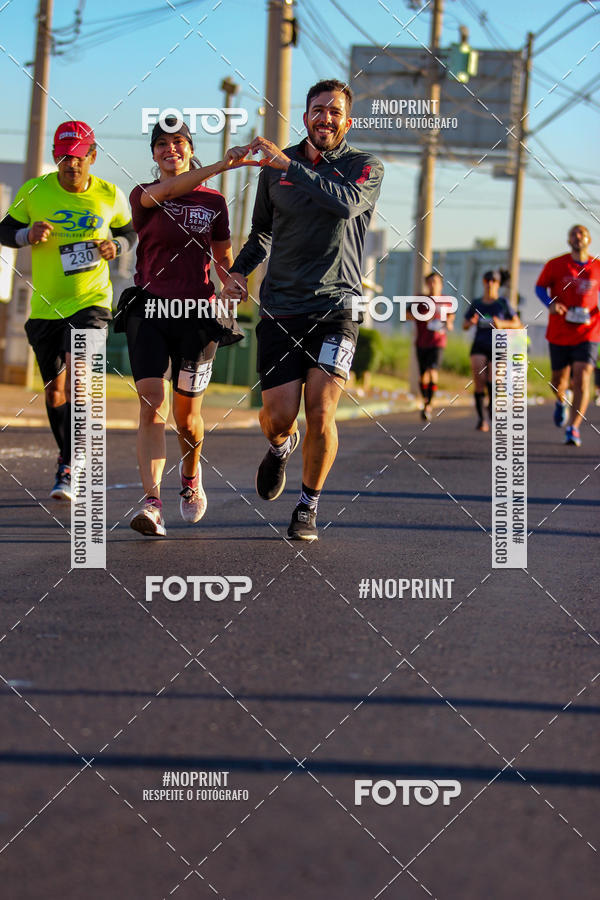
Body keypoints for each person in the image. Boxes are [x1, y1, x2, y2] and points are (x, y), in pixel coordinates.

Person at [222, 79, 384, 542]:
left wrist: (289, 164)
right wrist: (238, 272)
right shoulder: (276, 170)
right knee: (278, 416)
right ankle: (280, 447)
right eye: (318, 110)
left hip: (337, 308)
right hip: (281, 307)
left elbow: (346, 204)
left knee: (321, 409)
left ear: (347, 121)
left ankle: (308, 505)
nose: (325, 118)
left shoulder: (364, 167)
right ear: (306, 116)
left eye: (335, 111)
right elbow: (262, 233)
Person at [125, 118, 255, 537]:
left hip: (197, 315)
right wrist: (222, 165)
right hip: (150, 308)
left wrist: (232, 281)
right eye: (161, 144)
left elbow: (223, 258)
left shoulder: (214, 203)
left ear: (189, 148)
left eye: (178, 142)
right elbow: (169, 192)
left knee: (187, 419)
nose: (170, 149)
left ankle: (191, 475)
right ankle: (152, 504)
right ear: (153, 153)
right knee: (151, 401)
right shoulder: (144, 194)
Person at [0, 121, 135, 499]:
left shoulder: (110, 195)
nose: (70, 164)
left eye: (77, 157)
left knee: (79, 379)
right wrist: (27, 235)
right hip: (46, 308)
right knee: (54, 393)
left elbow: (128, 233)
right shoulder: (35, 191)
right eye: (63, 157)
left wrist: (116, 247)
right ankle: (69, 453)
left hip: (91, 301)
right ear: (55, 156)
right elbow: (3, 230)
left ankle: (70, 466)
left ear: (92, 156)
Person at [536, 225, 600, 446]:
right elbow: (539, 288)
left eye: (581, 233)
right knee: (558, 381)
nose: (577, 237)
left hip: (589, 332)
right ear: (568, 240)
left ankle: (573, 428)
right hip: (560, 332)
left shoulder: (597, 266)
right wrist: (550, 304)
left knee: (583, 377)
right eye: (573, 234)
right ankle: (561, 401)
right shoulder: (555, 264)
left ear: (589, 239)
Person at [463, 270, 522, 431]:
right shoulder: (477, 303)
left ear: (498, 284)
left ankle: (491, 404)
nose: (490, 283)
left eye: (494, 281)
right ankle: (481, 419)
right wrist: (470, 322)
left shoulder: (502, 303)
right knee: (479, 380)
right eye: (487, 280)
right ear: (483, 282)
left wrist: (502, 324)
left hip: (499, 345)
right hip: (479, 344)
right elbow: (464, 325)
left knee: (495, 379)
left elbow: (518, 324)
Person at [411, 271, 454, 420]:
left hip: (438, 342)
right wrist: (422, 316)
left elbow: (451, 318)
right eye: (429, 282)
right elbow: (407, 315)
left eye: (435, 282)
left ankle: (429, 404)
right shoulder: (420, 300)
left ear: (441, 285)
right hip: (422, 342)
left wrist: (448, 323)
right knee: (423, 375)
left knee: (433, 370)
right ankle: (425, 401)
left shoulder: (447, 301)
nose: (432, 285)